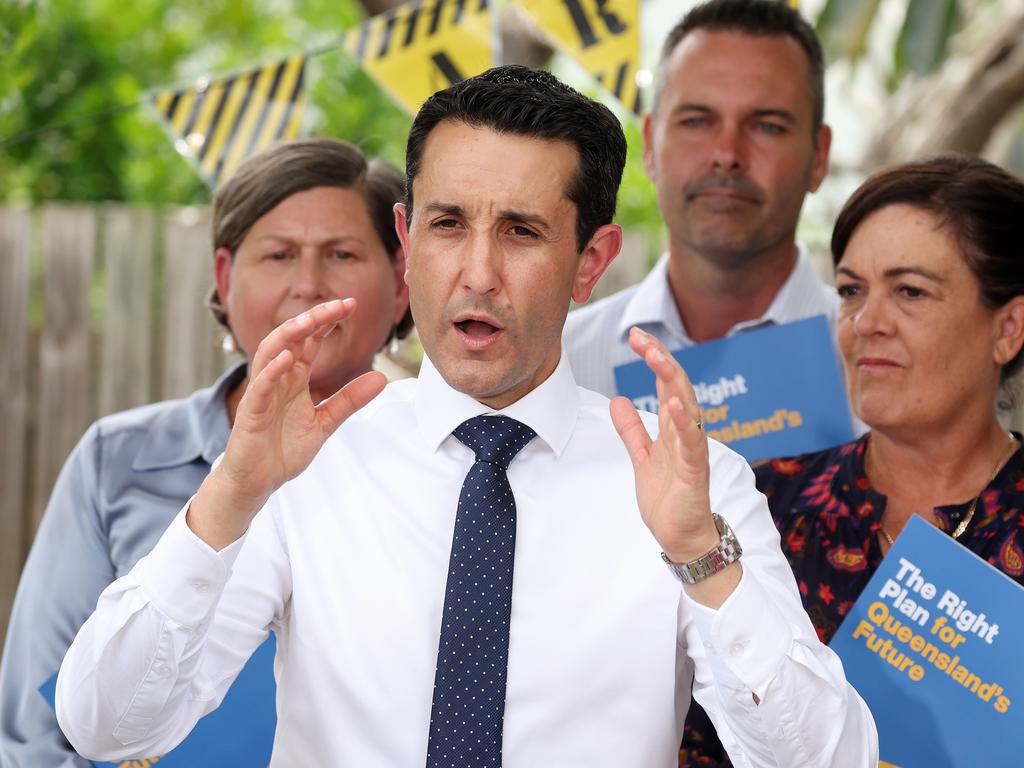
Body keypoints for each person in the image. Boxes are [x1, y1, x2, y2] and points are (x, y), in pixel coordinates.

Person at [55, 66, 876, 767]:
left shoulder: (691, 489)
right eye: (448, 225)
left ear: (590, 261)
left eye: (521, 232)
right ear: (407, 242)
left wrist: (702, 557)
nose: (476, 273)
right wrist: (229, 499)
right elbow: (106, 724)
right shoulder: (309, 464)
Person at [0, 137, 412, 767]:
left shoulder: (452, 472)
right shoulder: (118, 459)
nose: (307, 284)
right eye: (278, 255)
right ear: (225, 277)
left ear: (402, 284)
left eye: (342, 253)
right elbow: (36, 725)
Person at [756, 155, 1024, 643]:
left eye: (910, 291)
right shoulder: (762, 507)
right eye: (851, 290)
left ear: (1008, 329)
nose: (866, 322)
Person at [564, 0, 835, 400]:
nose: (727, 154)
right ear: (651, 145)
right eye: (696, 121)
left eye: (767, 126)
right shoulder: (558, 367)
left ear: (819, 156)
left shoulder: (881, 361)